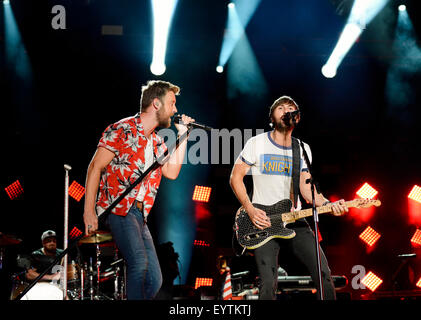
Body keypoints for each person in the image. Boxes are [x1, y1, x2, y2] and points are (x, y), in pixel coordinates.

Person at [83, 80, 194, 300]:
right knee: (139, 264)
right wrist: (89, 211)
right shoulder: (122, 128)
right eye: (172, 103)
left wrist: (184, 136)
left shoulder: (156, 142)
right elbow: (95, 167)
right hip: (119, 208)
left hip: (139, 214)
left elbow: (172, 172)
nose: (175, 110)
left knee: (155, 278)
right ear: (156, 104)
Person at [229, 95, 349, 300]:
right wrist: (250, 209)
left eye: (291, 108)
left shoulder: (302, 148)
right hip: (262, 220)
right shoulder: (256, 143)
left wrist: (329, 205)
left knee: (324, 275)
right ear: (272, 117)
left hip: (294, 220)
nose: (287, 110)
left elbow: (307, 189)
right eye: (281, 108)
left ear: (298, 117)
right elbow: (235, 178)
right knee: (268, 283)